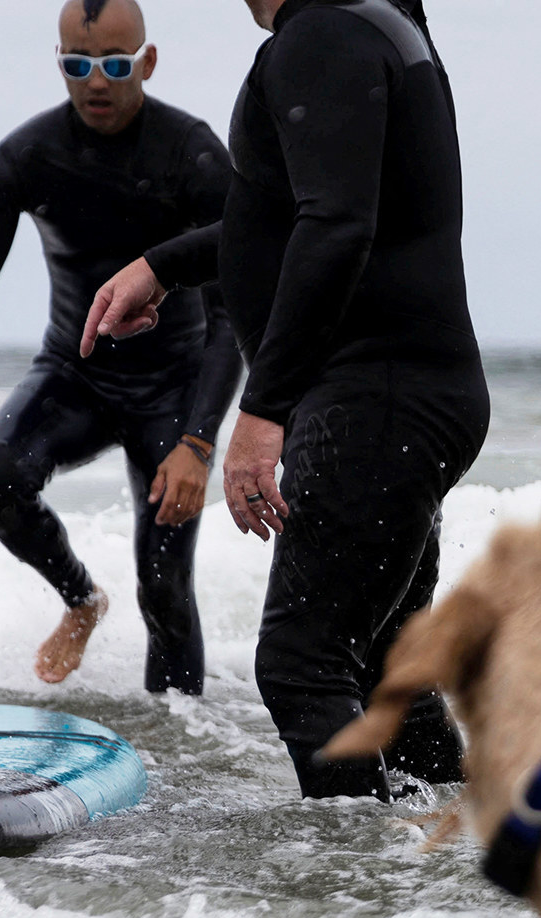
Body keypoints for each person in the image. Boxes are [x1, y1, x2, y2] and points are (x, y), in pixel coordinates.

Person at [84, 0, 486, 800]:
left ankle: (356, 903)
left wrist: (262, 410)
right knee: (385, 675)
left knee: (303, 666)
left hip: (376, 399)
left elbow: (335, 224)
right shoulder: (374, 26)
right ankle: (459, 861)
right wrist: (164, 264)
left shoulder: (321, 36)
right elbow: (292, 214)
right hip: (413, 393)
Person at [0, 0, 239, 693]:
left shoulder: (196, 156)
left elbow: (234, 317)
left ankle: (183, 760)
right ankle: (81, 600)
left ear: (147, 63)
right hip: (75, 373)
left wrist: (200, 442)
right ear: (58, 65)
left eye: (116, 65)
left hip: (173, 389)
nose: (97, 81)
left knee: (166, 587)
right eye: (78, 64)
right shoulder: (22, 160)